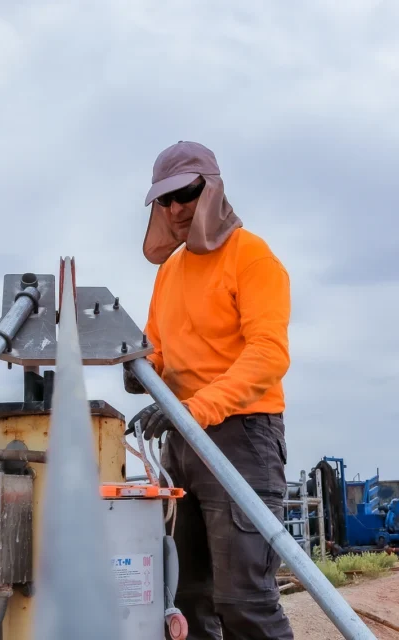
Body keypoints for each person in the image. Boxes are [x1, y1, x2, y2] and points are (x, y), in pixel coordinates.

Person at [124, 141, 294, 639]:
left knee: (244, 600)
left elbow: (269, 355)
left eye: (188, 193)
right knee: (188, 598)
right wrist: (139, 369)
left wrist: (191, 410)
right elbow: (157, 349)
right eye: (165, 200)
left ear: (213, 190)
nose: (177, 209)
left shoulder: (252, 256)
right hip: (184, 440)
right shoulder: (170, 271)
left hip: (242, 436)